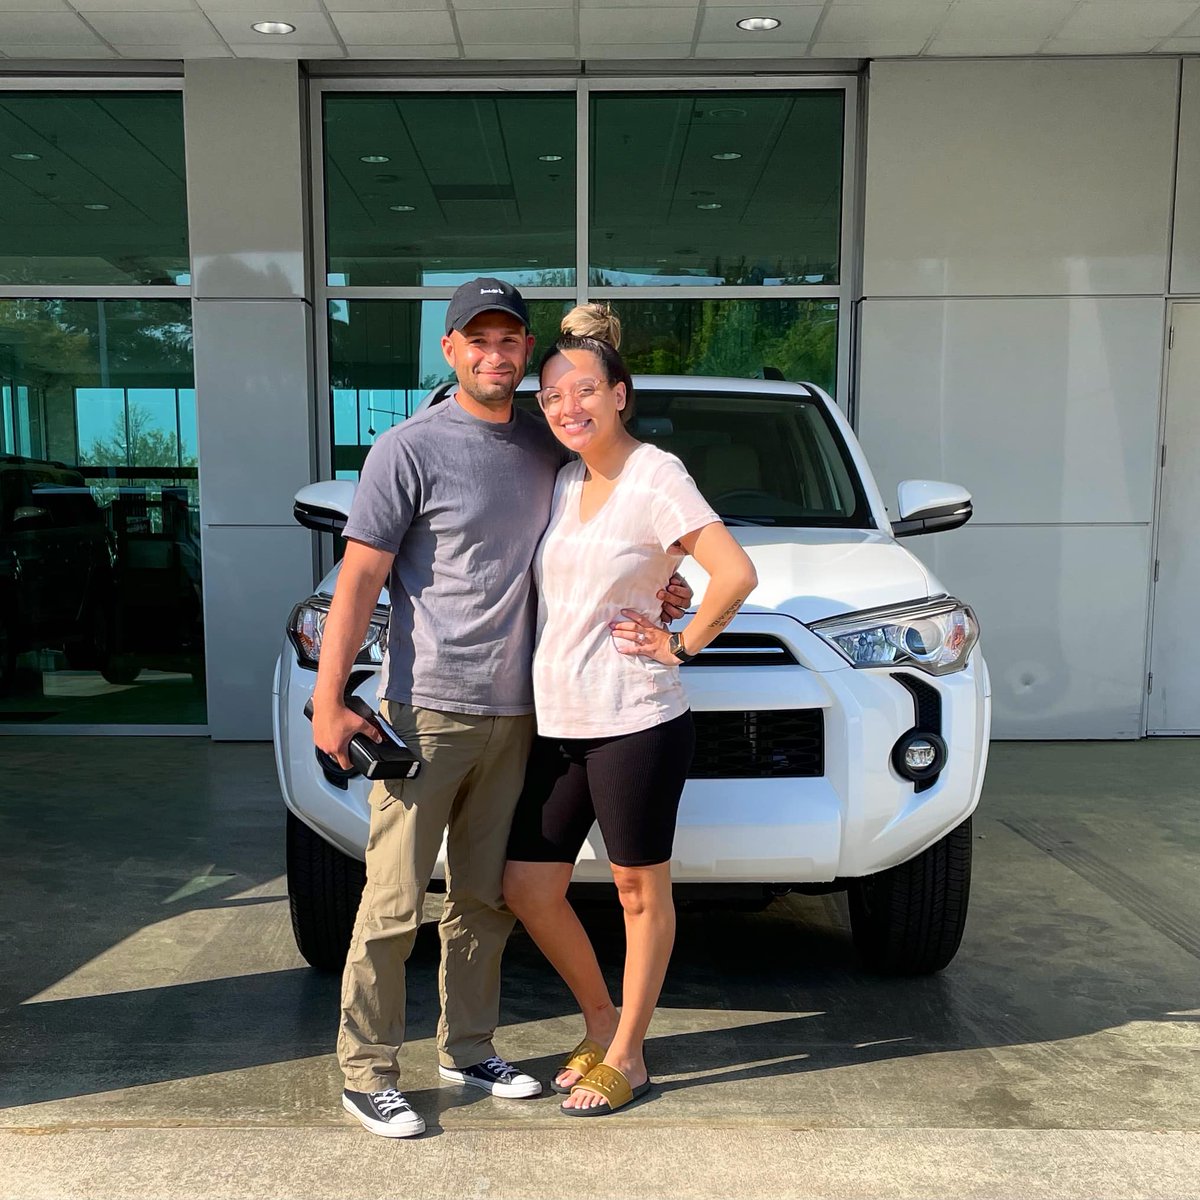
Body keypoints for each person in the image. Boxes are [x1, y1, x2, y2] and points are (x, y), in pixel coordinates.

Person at [309, 278, 691, 1139]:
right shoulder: (406, 449)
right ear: (449, 351)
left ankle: (469, 1045)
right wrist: (329, 698)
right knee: (395, 900)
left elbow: (610, 527)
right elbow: (361, 578)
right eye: (476, 341)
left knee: (485, 896)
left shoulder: (549, 439)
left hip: (526, 712)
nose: (495, 355)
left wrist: (666, 587)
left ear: (526, 350)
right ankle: (368, 1071)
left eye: (508, 341)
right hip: (426, 710)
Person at [503, 304, 758, 1117]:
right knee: (528, 887)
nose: (566, 407)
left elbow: (736, 574)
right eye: (549, 396)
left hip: (635, 718)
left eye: (583, 391)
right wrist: (662, 581)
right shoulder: (567, 477)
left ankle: (630, 1055)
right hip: (559, 718)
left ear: (620, 393)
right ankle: (603, 1020)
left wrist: (682, 644)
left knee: (637, 892)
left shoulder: (657, 474)